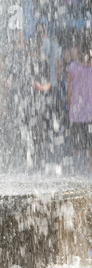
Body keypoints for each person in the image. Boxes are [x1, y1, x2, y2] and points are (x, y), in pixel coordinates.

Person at [67, 30, 92, 174]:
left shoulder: (73, 67)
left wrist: (69, 107)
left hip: (77, 112)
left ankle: (76, 173)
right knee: (91, 149)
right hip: (91, 113)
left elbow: (69, 91)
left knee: (77, 147)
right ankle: (89, 174)